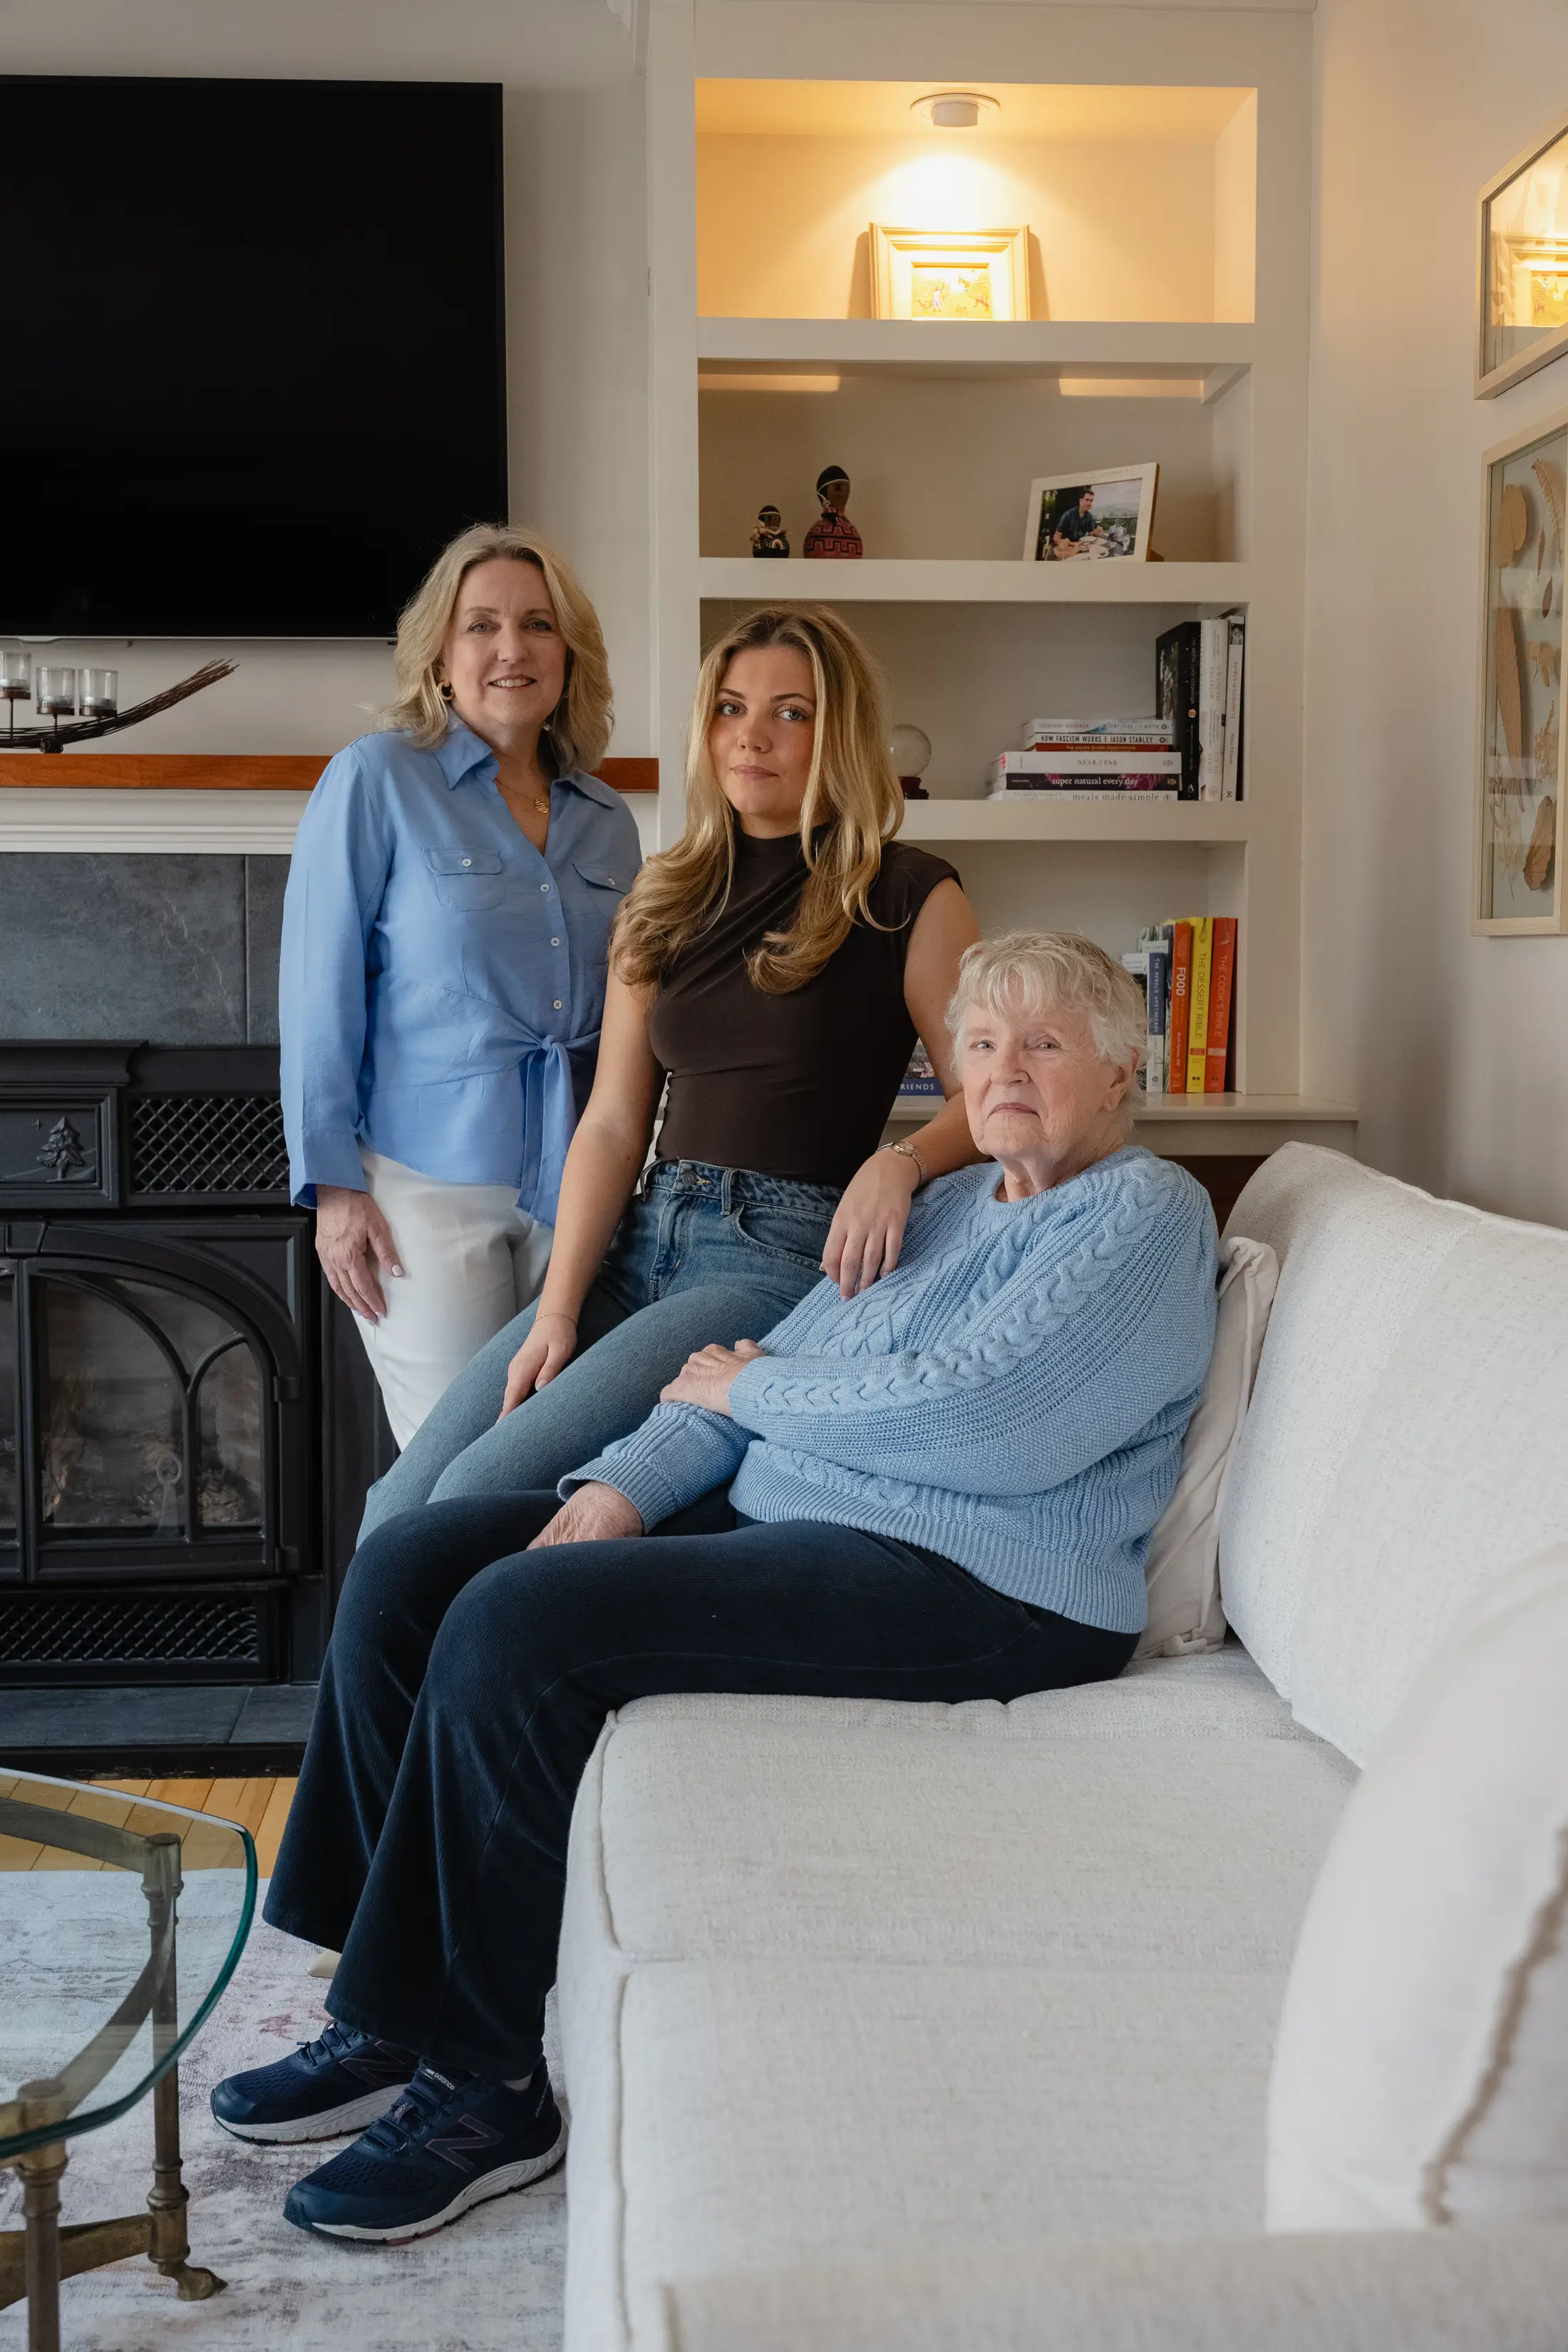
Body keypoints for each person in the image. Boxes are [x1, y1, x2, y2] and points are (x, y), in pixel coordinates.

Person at [212, 929, 1219, 2244]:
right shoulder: (947, 1206)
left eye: (1043, 1044)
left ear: (1123, 1069)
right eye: (981, 1044)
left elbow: (987, 1419)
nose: (1003, 1071)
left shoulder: (1147, 1213)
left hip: (987, 1585)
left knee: (520, 1625)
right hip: (803, 1520)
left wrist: (760, 1394)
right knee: (413, 1561)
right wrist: (620, 1490)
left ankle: (486, 2092)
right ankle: (383, 2014)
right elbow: (739, 1373)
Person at [355, 602, 982, 1538]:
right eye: (730, 708)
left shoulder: (909, 893)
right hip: (641, 1238)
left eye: (790, 712)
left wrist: (902, 1160)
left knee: (474, 1491)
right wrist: (557, 1309)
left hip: (774, 1255)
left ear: (840, 733)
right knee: (397, 1504)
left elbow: (992, 1098)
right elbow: (614, 1123)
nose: (751, 737)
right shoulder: (665, 896)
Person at [278, 525, 640, 1449]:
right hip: (422, 1191)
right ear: (440, 657)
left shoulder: (609, 819)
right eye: (481, 625)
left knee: (553, 1463)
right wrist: (332, 1190)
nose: (511, 648)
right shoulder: (376, 779)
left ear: (570, 653)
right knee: (452, 1467)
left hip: (579, 1191)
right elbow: (318, 990)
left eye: (537, 625)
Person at [1048, 487, 1103, 560]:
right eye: (1087, 500)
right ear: (1080, 500)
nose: (1089, 503)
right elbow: (1056, 538)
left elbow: (1091, 533)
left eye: (1091, 501)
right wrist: (1070, 544)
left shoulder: (1089, 516)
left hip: (1081, 549)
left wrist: (1096, 532)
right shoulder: (1068, 514)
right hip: (1067, 550)